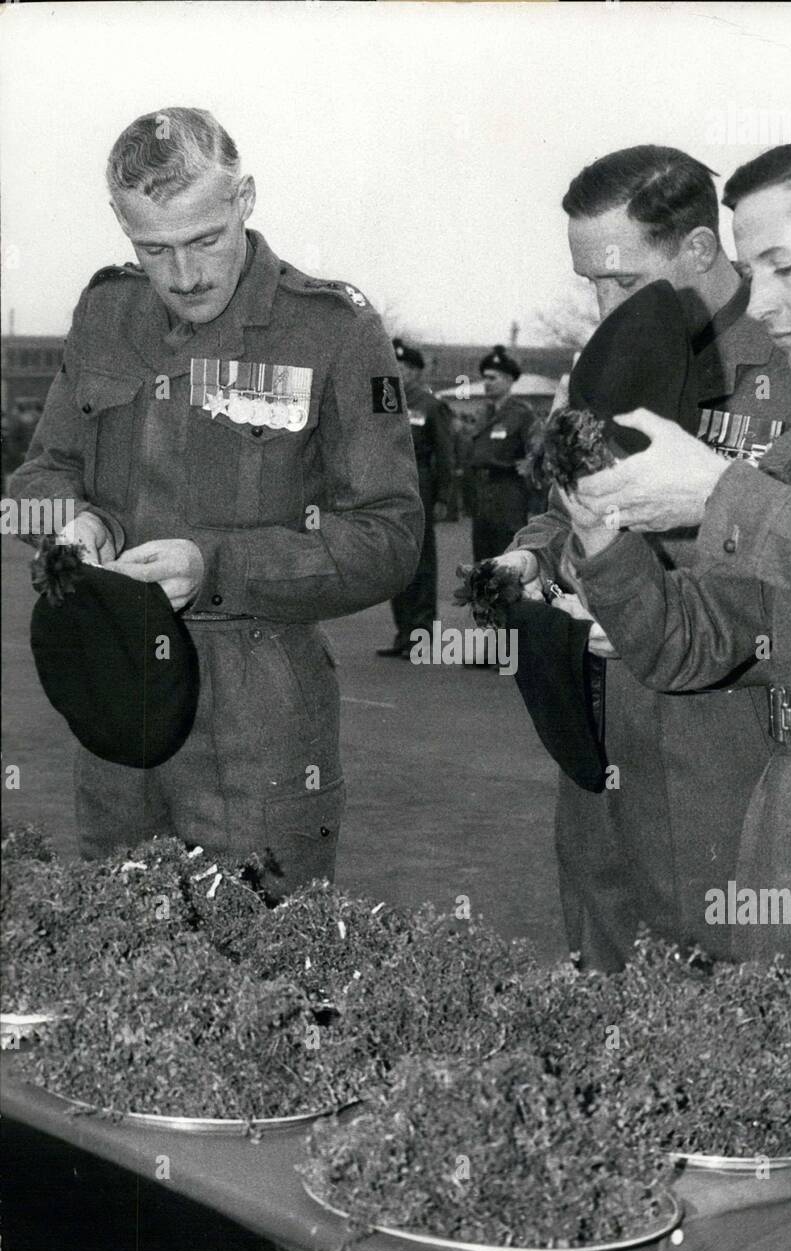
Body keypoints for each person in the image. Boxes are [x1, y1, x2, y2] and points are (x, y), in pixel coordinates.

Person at [557, 135, 791, 1038]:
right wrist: (604, 540)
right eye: (750, 270)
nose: (758, 301)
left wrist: (724, 493)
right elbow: (702, 642)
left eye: (781, 265)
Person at [7, 106, 422, 898]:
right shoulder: (104, 314)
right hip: (114, 697)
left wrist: (217, 564)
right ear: (121, 228)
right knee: (123, 959)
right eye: (153, 249)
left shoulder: (335, 332)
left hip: (260, 716)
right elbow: (38, 476)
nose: (185, 275)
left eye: (205, 240)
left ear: (245, 200)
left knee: (264, 972)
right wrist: (76, 522)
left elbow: (390, 536)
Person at [495, 146, 791, 968]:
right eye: (591, 285)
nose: (606, 307)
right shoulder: (611, 358)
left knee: (725, 990)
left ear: (701, 250)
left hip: (735, 745)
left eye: (625, 283)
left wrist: (654, 612)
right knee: (604, 966)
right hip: (603, 735)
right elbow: (572, 506)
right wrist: (534, 559)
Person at [377, 339, 454, 658]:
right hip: (389, 485)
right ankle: (403, 634)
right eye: (395, 367)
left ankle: (420, 638)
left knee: (421, 563)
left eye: (405, 368)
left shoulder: (431, 405)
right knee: (397, 560)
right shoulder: (384, 400)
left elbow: (445, 455)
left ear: (417, 372)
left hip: (420, 483)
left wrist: (444, 497)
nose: (399, 373)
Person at [469, 345, 542, 562]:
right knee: (482, 559)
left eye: (493, 378)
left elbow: (538, 444)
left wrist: (530, 462)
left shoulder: (521, 413)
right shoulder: (483, 413)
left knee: (507, 557)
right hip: (483, 493)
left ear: (509, 380)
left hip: (508, 493)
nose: (487, 383)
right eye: (485, 378)